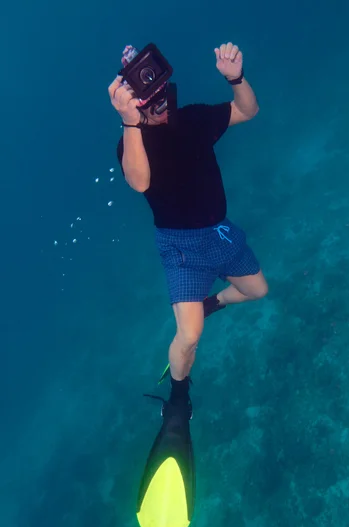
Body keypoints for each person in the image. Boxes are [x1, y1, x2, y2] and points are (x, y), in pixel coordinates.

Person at [108, 42, 268, 409]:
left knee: (257, 290)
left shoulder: (193, 119)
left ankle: (209, 303)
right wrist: (131, 122)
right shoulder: (131, 141)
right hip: (180, 246)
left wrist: (236, 78)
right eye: (152, 101)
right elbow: (140, 182)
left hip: (220, 231)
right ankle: (178, 397)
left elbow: (248, 110)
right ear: (135, 104)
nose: (162, 106)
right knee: (190, 333)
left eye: (163, 93)